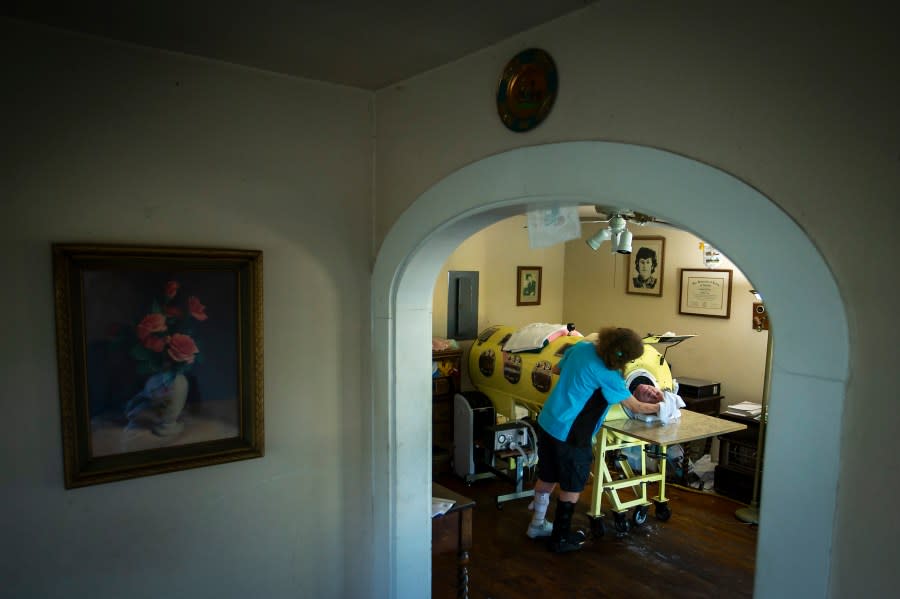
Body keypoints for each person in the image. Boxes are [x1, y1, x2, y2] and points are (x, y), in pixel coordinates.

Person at [525, 327, 664, 553]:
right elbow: (637, 407)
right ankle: (560, 538)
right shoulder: (608, 374)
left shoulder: (582, 347)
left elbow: (557, 368)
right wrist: (664, 406)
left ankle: (537, 524)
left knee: (547, 475)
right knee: (572, 485)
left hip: (549, 421)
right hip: (571, 433)